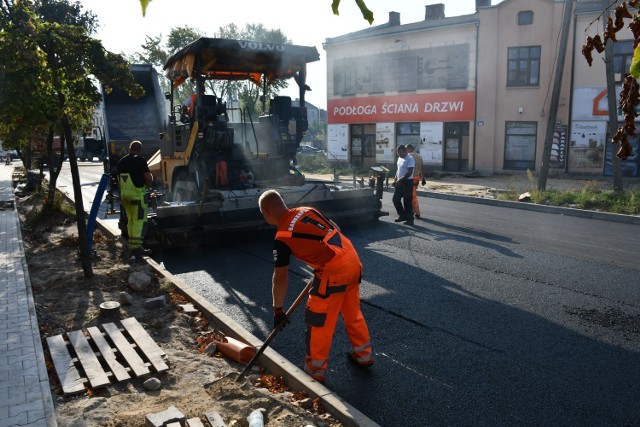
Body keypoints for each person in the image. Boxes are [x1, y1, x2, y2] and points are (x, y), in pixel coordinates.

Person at [258, 190, 374, 383]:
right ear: (283, 203)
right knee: (353, 313)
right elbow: (333, 228)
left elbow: (280, 278)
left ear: (266, 213)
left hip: (333, 274)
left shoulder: (282, 237)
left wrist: (278, 309)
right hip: (352, 261)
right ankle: (364, 356)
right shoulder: (307, 210)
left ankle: (314, 372)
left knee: (319, 322)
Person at [116, 140, 153, 257]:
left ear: (129, 148)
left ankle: (131, 245)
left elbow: (118, 179)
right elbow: (147, 177)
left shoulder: (121, 161)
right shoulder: (140, 160)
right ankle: (136, 248)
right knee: (139, 221)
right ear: (140, 150)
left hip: (125, 196)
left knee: (131, 220)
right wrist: (148, 186)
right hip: (137, 195)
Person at [392, 144, 415, 225]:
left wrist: (400, 180)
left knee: (407, 201)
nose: (399, 155)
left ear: (405, 151)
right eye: (398, 153)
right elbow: (398, 170)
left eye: (400, 153)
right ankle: (402, 215)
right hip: (399, 182)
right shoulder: (399, 158)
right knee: (395, 199)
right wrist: (395, 180)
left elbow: (410, 172)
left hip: (407, 182)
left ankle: (410, 220)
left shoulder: (410, 159)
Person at [406, 143, 425, 219]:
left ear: (409, 148)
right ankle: (413, 211)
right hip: (417, 177)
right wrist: (423, 178)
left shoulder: (408, 156)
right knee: (412, 194)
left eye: (406, 149)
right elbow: (423, 168)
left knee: (412, 196)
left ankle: (416, 212)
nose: (405, 150)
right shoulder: (419, 156)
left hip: (410, 178)